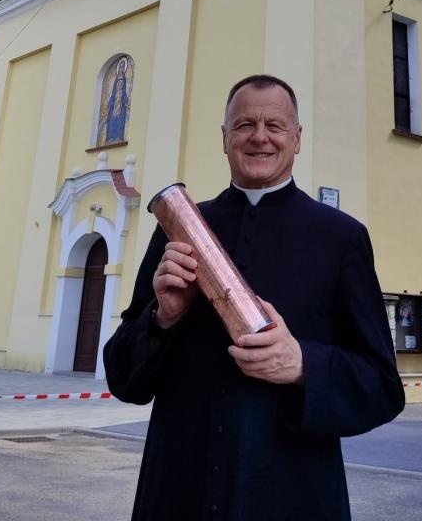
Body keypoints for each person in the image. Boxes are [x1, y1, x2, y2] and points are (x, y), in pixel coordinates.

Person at [103, 74, 404, 520]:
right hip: (178, 489)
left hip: (291, 493)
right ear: (224, 139)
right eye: (244, 125)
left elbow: (381, 385)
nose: (259, 137)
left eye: (275, 126)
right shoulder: (180, 229)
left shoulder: (341, 238)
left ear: (296, 139)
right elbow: (124, 377)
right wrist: (161, 318)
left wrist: (303, 364)